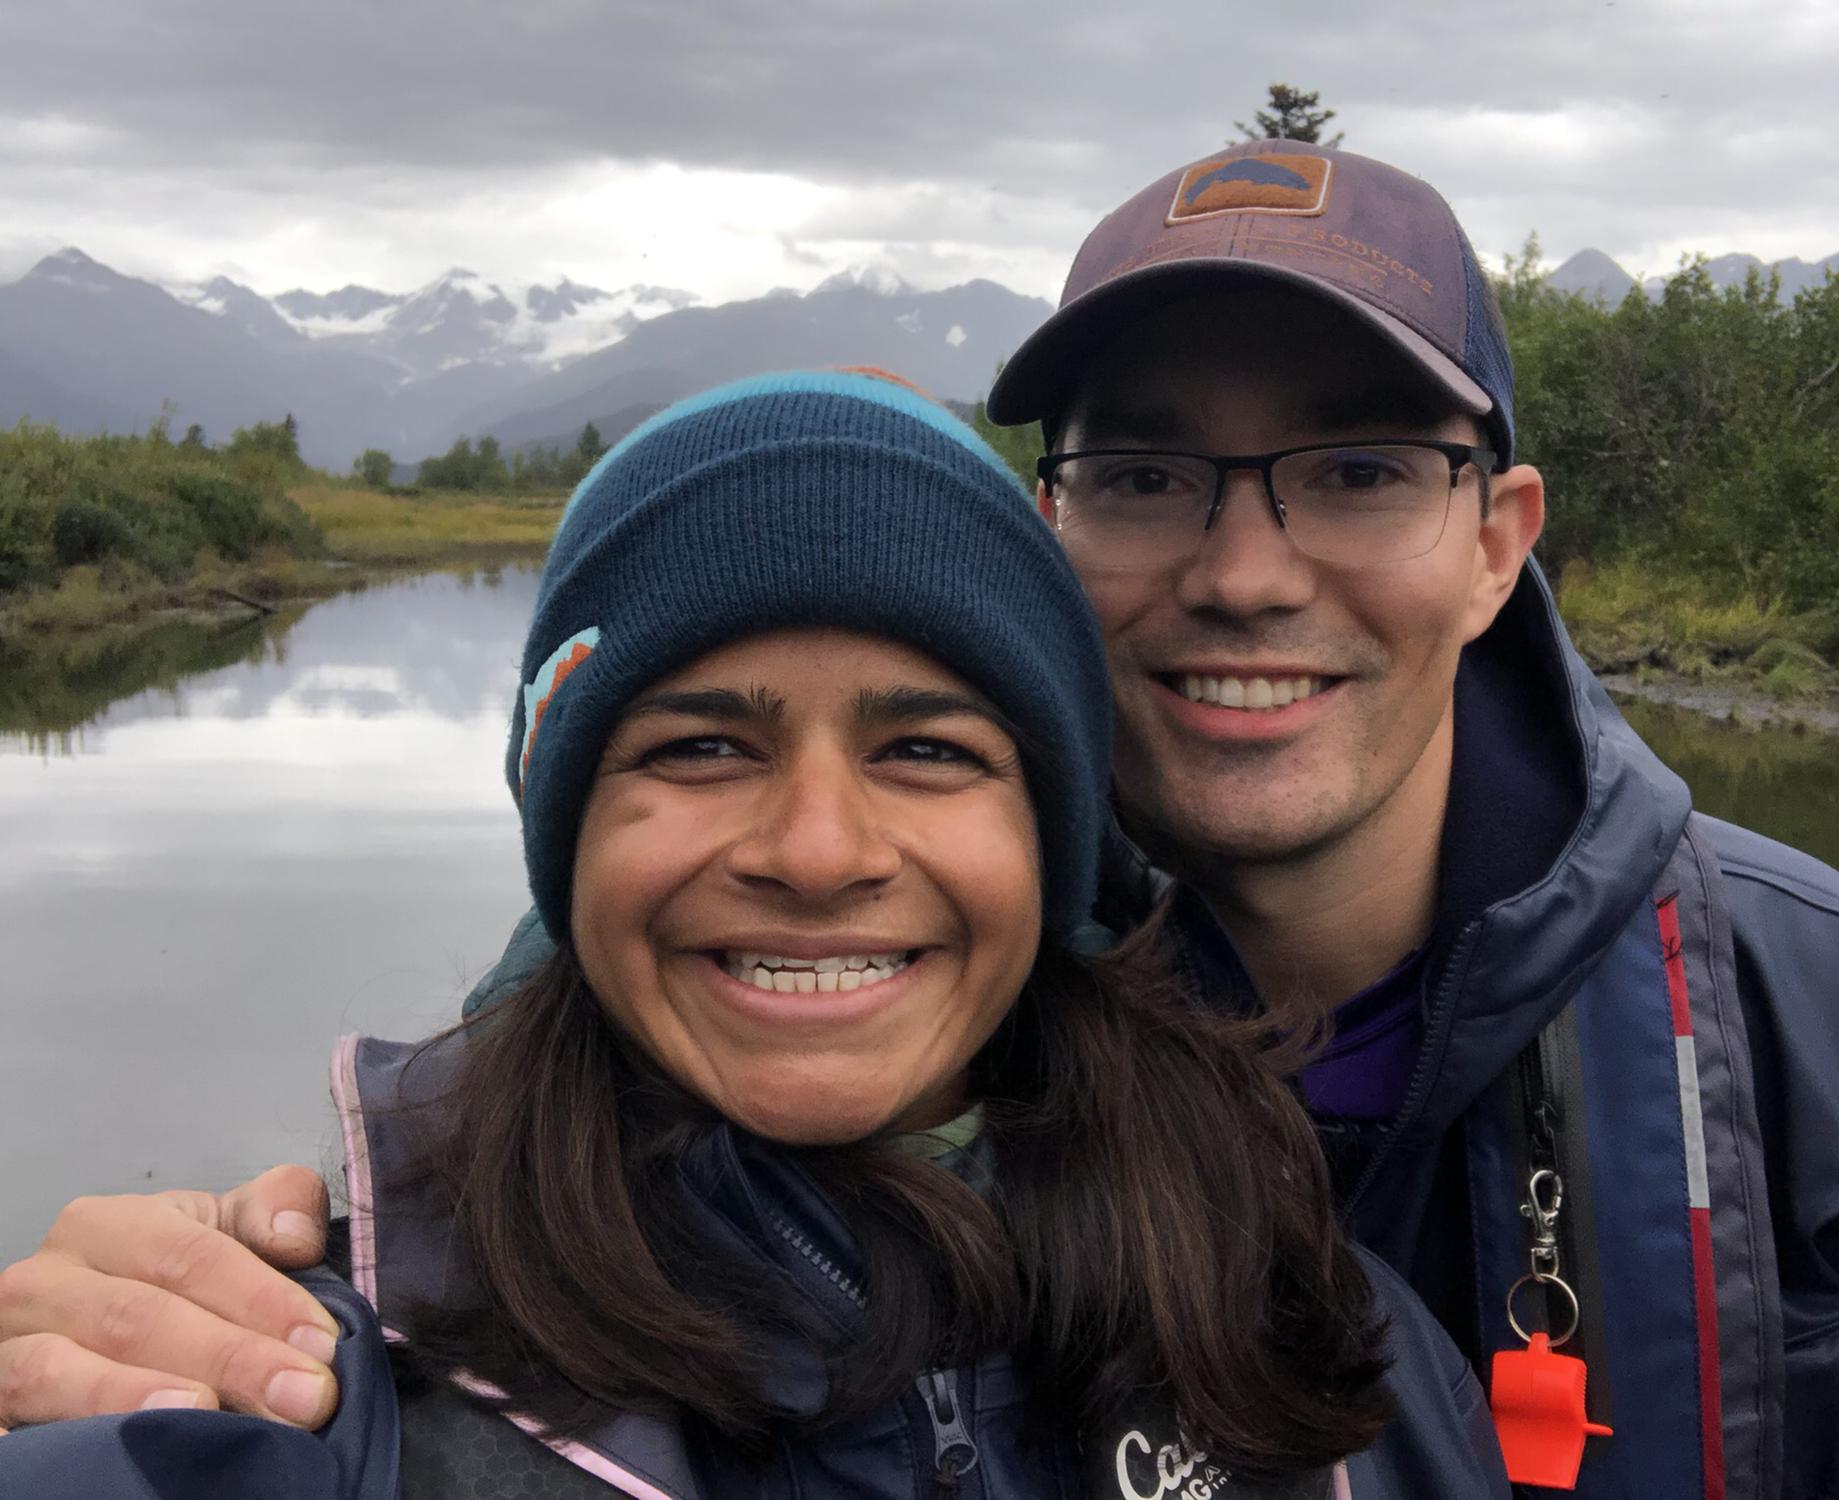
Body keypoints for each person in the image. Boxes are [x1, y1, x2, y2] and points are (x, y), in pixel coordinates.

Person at [8, 142, 1839, 1498]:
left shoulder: (1832, 1028)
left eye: (1358, 470)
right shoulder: (857, 996)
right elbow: (587, 1065)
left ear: (1501, 541)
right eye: (1143, 475)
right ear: (1051, 536)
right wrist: (269, 1278)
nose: (1241, 571)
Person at [0, 369, 1511, 1498]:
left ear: (1047, 847)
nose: (817, 852)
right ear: (567, 836)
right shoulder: (299, 1385)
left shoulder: (1316, 1338)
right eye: (701, 748)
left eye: (927, 750)